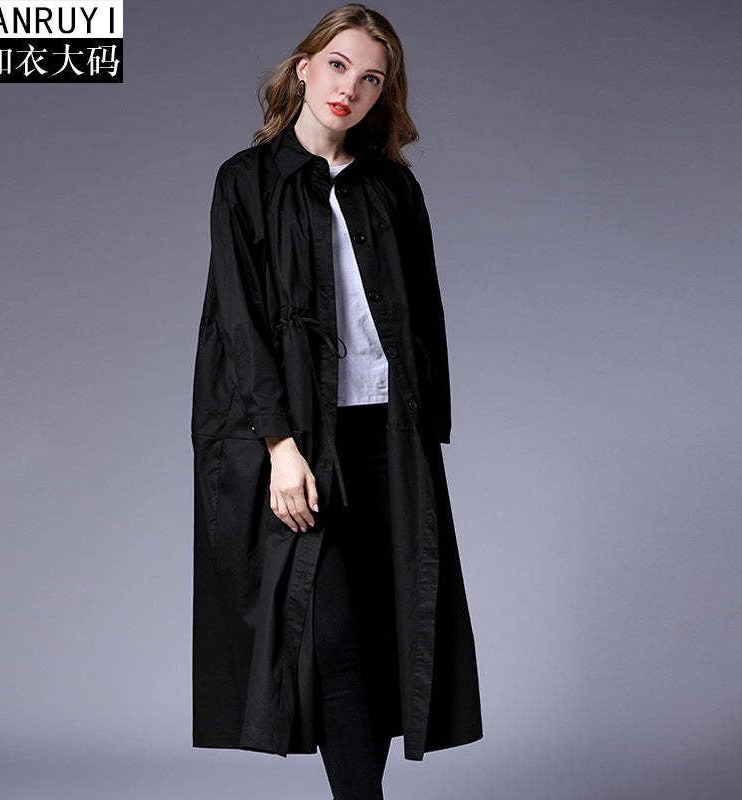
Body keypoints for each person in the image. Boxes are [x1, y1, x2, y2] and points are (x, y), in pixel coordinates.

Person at [190, 5, 484, 799]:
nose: (349, 87)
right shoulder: (246, 182)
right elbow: (239, 324)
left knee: (388, 631)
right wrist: (280, 446)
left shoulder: (392, 187)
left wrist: (427, 433)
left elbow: (423, 314)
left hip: (387, 435)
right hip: (297, 441)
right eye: (338, 65)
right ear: (303, 68)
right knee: (332, 636)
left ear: (384, 94)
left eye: (371, 78)